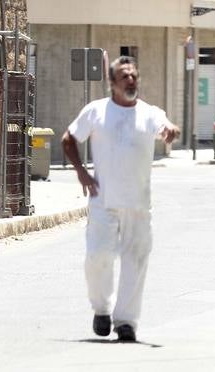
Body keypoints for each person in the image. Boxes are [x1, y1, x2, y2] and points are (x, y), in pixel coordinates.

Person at [61, 55, 180, 343]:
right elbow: (68, 139)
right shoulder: (96, 111)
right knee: (98, 256)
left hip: (139, 204)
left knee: (135, 261)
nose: (131, 80)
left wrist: (171, 132)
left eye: (134, 76)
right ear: (112, 82)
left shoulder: (150, 113)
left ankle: (126, 322)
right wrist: (82, 172)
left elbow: (167, 127)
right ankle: (101, 309)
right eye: (125, 76)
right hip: (103, 200)